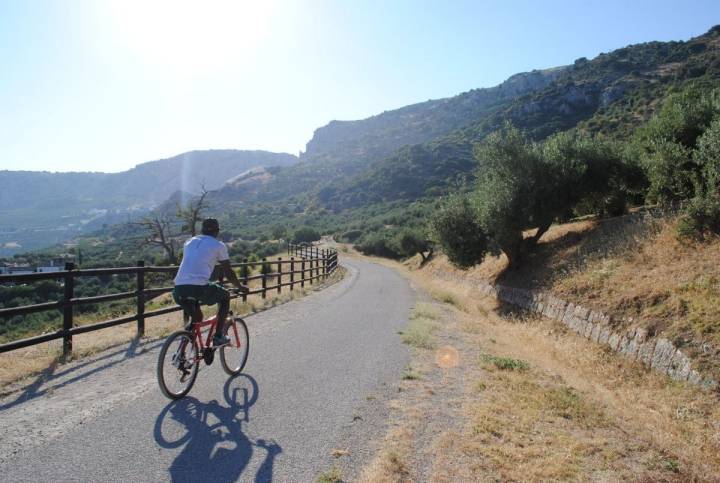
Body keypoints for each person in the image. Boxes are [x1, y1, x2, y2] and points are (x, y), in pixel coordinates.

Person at [173, 218, 246, 346]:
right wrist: (240, 286)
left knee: (197, 318)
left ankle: (182, 352)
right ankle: (218, 337)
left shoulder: (189, 242)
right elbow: (229, 273)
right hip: (199, 288)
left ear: (202, 230)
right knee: (225, 297)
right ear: (217, 231)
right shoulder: (218, 245)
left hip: (178, 288)